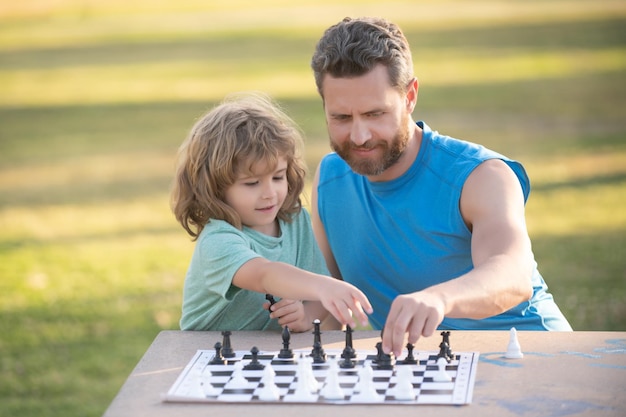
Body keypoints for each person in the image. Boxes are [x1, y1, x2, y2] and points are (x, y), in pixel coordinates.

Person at [309, 17, 572, 356]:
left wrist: (439, 297)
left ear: (410, 97)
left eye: (375, 114)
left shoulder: (481, 175)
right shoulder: (330, 178)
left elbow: (512, 273)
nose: (359, 136)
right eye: (341, 118)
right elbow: (327, 308)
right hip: (421, 372)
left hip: (533, 355)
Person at [171, 93, 372, 332]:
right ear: (216, 187)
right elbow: (264, 275)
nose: (270, 193)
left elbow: (317, 292)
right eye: (252, 183)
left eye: (278, 177)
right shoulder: (217, 241)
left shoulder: (295, 221)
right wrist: (324, 286)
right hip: (206, 358)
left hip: (269, 358)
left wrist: (305, 316)